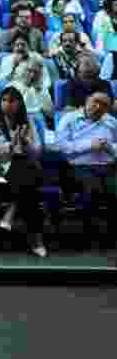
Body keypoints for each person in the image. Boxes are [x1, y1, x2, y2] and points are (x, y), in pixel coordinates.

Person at [0, 86, 48, 257]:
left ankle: (11, 210)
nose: (7, 104)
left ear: (19, 103)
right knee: (31, 194)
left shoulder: (28, 121)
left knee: (24, 165)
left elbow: (38, 150)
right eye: (4, 100)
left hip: (27, 166)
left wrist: (26, 142)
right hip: (3, 167)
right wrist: (10, 145)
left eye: (12, 101)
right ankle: (36, 241)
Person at [51, 91, 117, 248]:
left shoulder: (112, 122)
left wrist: (109, 146)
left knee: (113, 190)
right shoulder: (69, 119)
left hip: (108, 166)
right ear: (87, 100)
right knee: (93, 189)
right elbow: (61, 146)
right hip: (78, 167)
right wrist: (89, 145)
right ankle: (88, 234)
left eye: (104, 105)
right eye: (95, 101)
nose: (98, 107)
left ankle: (111, 236)